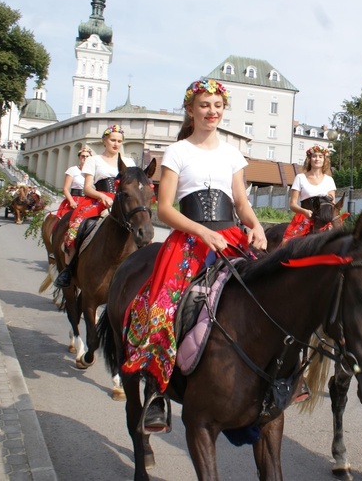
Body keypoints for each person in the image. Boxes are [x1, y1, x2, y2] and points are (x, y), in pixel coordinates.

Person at [121, 77, 267, 432]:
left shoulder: (232, 153)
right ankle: (157, 392)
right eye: (204, 105)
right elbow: (166, 209)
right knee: (161, 306)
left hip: (230, 237)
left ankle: (272, 382)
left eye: (217, 106)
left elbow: (242, 203)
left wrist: (256, 225)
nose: (211, 111)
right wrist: (201, 231)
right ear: (190, 109)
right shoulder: (177, 152)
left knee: (266, 296)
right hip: (189, 240)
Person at [54, 125, 136, 288]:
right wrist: (102, 196)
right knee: (75, 227)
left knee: (140, 227)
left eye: (119, 141)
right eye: (112, 140)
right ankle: (69, 270)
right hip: (99, 199)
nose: (116, 144)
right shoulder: (94, 160)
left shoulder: (129, 161)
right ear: (104, 141)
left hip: (123, 201)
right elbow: (88, 188)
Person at [282, 144, 339, 243]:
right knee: (286, 244)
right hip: (305, 217)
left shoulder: (329, 180)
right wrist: (304, 212)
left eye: (320, 157)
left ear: (324, 160)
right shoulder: (300, 178)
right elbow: (292, 205)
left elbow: (332, 204)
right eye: (314, 156)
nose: (317, 159)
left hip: (325, 219)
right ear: (309, 159)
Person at [54, 146, 93, 218]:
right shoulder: (72, 170)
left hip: (89, 200)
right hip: (75, 200)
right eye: (83, 156)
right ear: (79, 157)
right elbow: (65, 189)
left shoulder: (94, 172)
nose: (85, 158)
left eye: (87, 156)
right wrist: (71, 201)